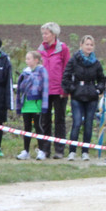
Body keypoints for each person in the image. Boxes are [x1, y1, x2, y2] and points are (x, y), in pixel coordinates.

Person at [63, 34, 106, 160]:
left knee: (88, 124)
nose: (89, 47)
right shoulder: (74, 60)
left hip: (91, 97)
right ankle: (72, 151)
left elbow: (102, 80)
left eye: (91, 45)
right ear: (81, 45)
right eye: (87, 44)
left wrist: (97, 90)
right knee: (76, 123)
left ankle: (85, 152)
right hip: (77, 96)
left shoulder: (96, 63)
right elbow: (66, 77)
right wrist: (73, 89)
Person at [37, 22, 70, 158]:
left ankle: (59, 149)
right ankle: (45, 149)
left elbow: (67, 68)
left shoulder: (63, 48)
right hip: (45, 91)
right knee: (45, 120)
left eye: (46, 33)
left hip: (59, 90)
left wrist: (65, 88)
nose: (44, 36)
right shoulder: (40, 50)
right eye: (43, 33)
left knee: (59, 120)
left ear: (54, 34)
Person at [15, 49, 49, 161]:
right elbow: (20, 88)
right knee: (27, 127)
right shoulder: (25, 72)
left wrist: (44, 105)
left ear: (36, 60)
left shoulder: (42, 71)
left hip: (36, 104)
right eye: (26, 59)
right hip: (26, 104)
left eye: (29, 59)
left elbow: (44, 88)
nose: (27, 61)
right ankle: (26, 151)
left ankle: (42, 150)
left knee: (38, 127)